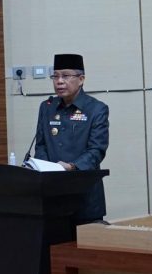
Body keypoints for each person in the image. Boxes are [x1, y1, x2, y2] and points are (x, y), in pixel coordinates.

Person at [33, 53, 109, 224]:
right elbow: (41, 145)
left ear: (81, 79)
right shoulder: (47, 107)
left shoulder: (96, 109)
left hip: (85, 197)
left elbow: (96, 150)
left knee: (85, 241)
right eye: (55, 76)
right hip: (52, 195)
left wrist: (72, 166)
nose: (59, 81)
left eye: (66, 76)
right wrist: (46, 169)